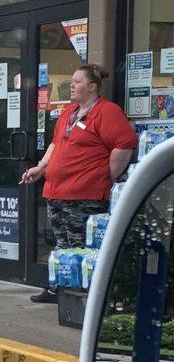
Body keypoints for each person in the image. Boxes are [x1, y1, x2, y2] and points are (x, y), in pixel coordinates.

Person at [22, 64, 137, 303]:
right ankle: (59, 289)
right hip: (56, 192)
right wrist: (40, 168)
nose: (71, 85)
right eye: (72, 81)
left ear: (92, 87)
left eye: (77, 81)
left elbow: (124, 144)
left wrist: (106, 174)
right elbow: (55, 145)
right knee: (60, 244)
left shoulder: (107, 112)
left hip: (85, 196)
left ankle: (81, 296)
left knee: (80, 247)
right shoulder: (69, 113)